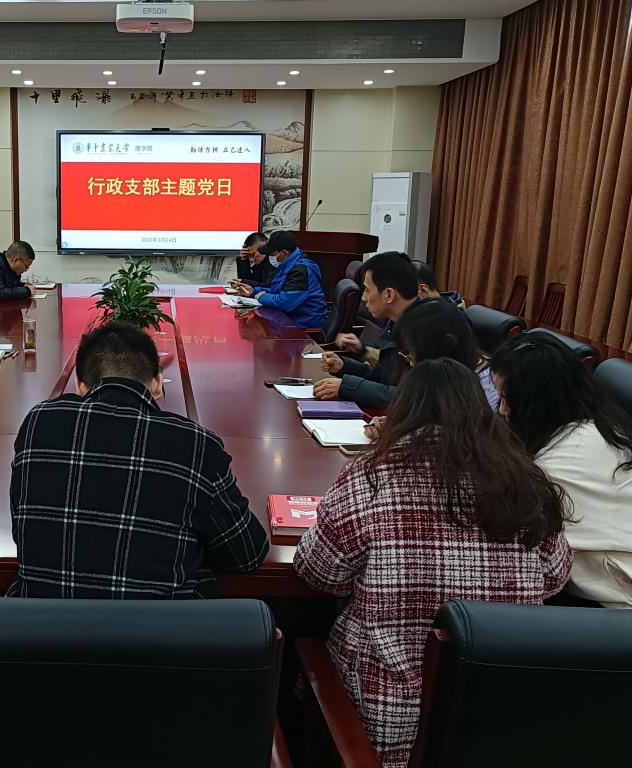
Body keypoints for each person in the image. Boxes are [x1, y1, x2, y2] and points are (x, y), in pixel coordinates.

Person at [294, 358, 572, 768]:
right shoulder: (526, 481)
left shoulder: (372, 476)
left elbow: (318, 572)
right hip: (500, 717)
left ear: (402, 410)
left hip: (382, 725)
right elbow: (555, 576)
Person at [8, 321, 269, 598]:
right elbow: (246, 554)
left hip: (43, 624)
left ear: (80, 386)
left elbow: (23, 531)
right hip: (162, 626)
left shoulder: (39, 423)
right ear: (157, 384)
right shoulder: (195, 444)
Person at [492, 334, 632, 609]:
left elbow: (526, 552)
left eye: (509, 400)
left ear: (537, 403)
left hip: (614, 609)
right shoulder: (603, 425)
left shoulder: (559, 464)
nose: (503, 411)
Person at [313, 251, 418, 408]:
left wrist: (346, 387)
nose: (363, 297)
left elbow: (412, 398)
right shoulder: (394, 323)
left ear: (389, 295)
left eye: (367, 290)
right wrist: (344, 366)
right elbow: (382, 376)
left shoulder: (426, 331)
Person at [232, 230, 326, 329]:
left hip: (303, 325)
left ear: (284, 253)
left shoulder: (300, 271)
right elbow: (275, 289)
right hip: (289, 319)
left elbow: (285, 303)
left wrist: (261, 297)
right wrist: (253, 291)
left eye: (271, 254)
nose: (269, 257)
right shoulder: (287, 265)